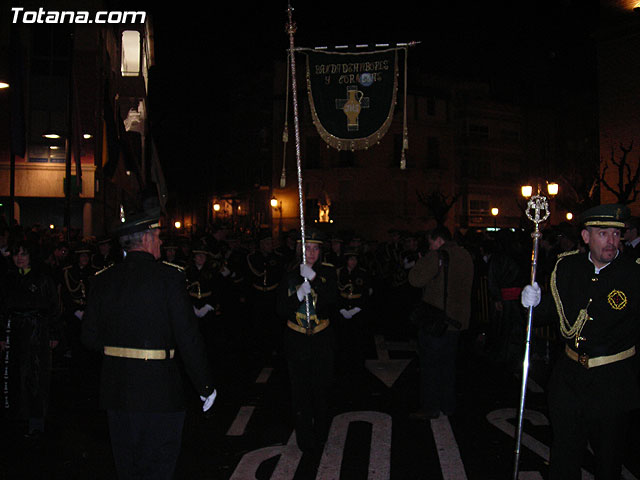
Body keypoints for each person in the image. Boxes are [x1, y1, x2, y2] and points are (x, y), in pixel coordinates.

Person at [81, 208, 217, 480]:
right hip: (159, 391)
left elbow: (89, 338)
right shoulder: (169, 278)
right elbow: (188, 338)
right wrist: (205, 386)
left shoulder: (102, 279)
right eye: (157, 237)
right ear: (145, 240)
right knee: (158, 465)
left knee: (128, 466)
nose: (160, 242)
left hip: (116, 389)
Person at [521, 203, 640, 480]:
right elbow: (550, 314)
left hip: (612, 382)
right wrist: (532, 305)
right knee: (564, 455)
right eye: (603, 234)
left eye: (615, 234)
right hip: (569, 378)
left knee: (608, 460)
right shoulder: (567, 267)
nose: (611, 241)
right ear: (586, 237)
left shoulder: (633, 274)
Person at [277, 228, 337, 453]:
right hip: (297, 340)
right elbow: (281, 309)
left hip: (321, 338)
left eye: (315, 248)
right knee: (300, 392)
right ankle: (304, 438)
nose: (311, 253)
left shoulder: (328, 272)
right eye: (306, 248)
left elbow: (333, 301)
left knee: (321, 390)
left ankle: (321, 433)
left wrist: (314, 279)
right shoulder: (290, 273)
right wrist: (299, 295)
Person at [408, 225, 474, 419]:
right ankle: (448, 405)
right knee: (448, 365)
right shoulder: (465, 255)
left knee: (430, 366)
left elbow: (414, 279)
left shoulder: (437, 256)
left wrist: (421, 263)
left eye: (431, 243)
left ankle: (430, 407)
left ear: (438, 240)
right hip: (457, 321)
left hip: (436, 320)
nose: (430, 247)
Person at [0, 238, 61, 440]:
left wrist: (53, 333)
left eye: (23, 254)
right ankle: (18, 417)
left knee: (36, 376)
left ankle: (37, 420)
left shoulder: (42, 278)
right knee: (16, 375)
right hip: (15, 332)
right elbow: (2, 309)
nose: (19, 258)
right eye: (16, 254)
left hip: (37, 333)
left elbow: (53, 306)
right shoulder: (8, 279)